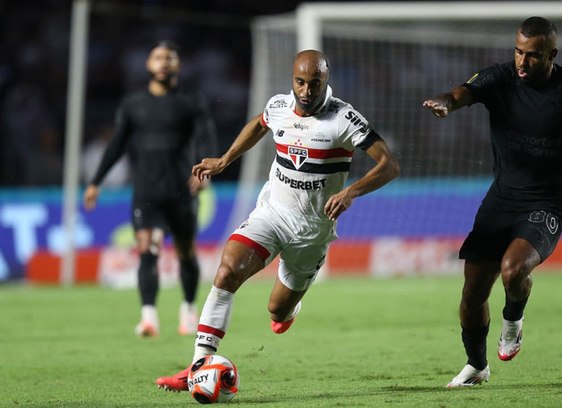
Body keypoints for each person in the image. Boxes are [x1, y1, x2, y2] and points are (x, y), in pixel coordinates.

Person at [423, 16, 562, 387]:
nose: (521, 62)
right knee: (473, 290)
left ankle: (513, 321)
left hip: (547, 202)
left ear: (551, 54)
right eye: (518, 51)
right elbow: (462, 93)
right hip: (500, 201)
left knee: (513, 270)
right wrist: (447, 102)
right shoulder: (500, 78)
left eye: (532, 55)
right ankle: (477, 366)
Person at [155, 49, 400, 391]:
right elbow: (259, 124)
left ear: (325, 81)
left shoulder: (344, 119)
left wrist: (350, 192)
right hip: (271, 214)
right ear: (292, 80)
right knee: (227, 272)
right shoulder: (280, 106)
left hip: (312, 231)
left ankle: (290, 308)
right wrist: (225, 159)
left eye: (315, 83)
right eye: (300, 82)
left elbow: (389, 164)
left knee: (277, 311)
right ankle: (198, 364)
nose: (306, 90)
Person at [83, 41, 218, 338]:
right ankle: (148, 317)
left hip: (182, 190)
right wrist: (96, 182)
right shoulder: (134, 104)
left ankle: (188, 310)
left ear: (178, 65)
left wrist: (205, 172)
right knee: (148, 249)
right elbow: (117, 144)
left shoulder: (191, 101)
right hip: (147, 191)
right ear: (148, 64)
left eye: (169, 57)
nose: (163, 63)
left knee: (186, 253)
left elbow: (206, 138)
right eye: (158, 57)